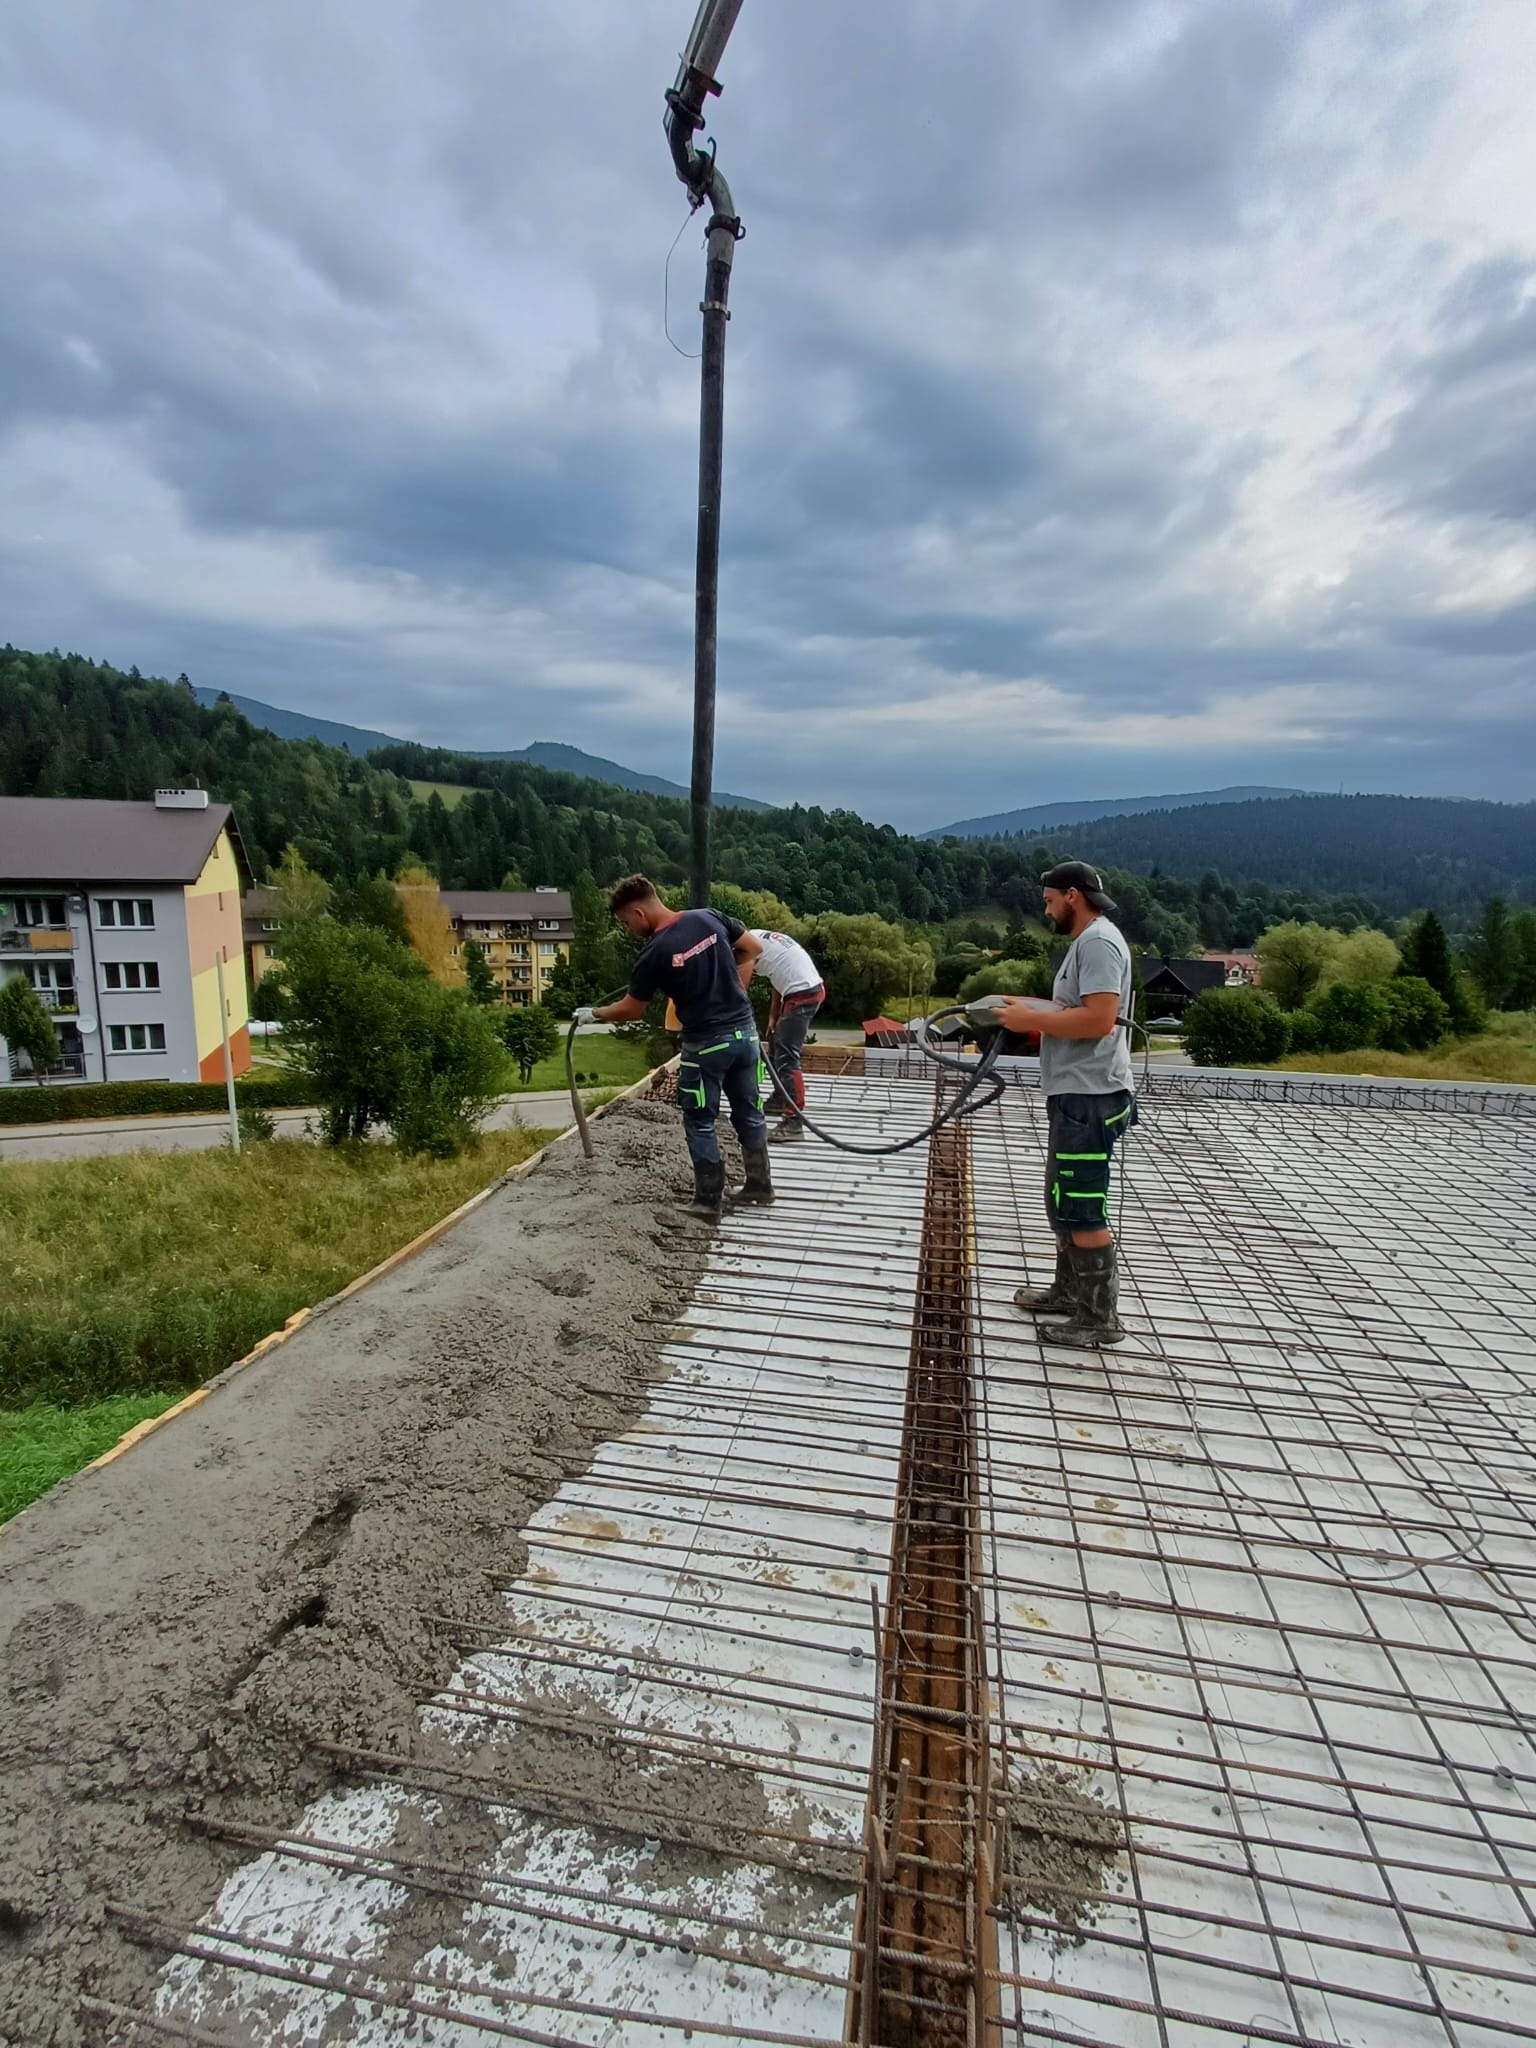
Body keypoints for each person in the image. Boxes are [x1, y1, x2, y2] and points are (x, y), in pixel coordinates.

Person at [576, 876, 772, 1222]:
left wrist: (595, 1014)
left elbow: (632, 1010)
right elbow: (754, 948)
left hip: (706, 1045)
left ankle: (708, 1201)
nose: (628, 930)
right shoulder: (709, 917)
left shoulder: (654, 952)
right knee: (750, 1111)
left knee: (699, 1120)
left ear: (638, 912)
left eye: (626, 922)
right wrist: (727, 973)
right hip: (745, 1036)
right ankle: (760, 1185)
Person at [997, 861, 1136, 1348]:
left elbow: (1099, 1019)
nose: (1047, 909)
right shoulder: (1091, 941)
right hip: (1078, 1093)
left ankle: (1099, 1319)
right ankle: (1070, 1292)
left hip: (1091, 1096)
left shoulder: (1097, 943)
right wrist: (1021, 1007)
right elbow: (1075, 1007)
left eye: (1050, 901)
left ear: (1072, 895)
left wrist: (1030, 1021)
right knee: (1064, 1200)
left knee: (1081, 1207)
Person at [746, 927, 825, 1142]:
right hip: (802, 989)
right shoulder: (756, 938)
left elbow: (738, 987)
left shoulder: (745, 947)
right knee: (776, 1041)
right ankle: (781, 1097)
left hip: (803, 993)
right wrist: (773, 1015)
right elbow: (777, 977)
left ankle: (794, 1122)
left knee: (787, 1057)